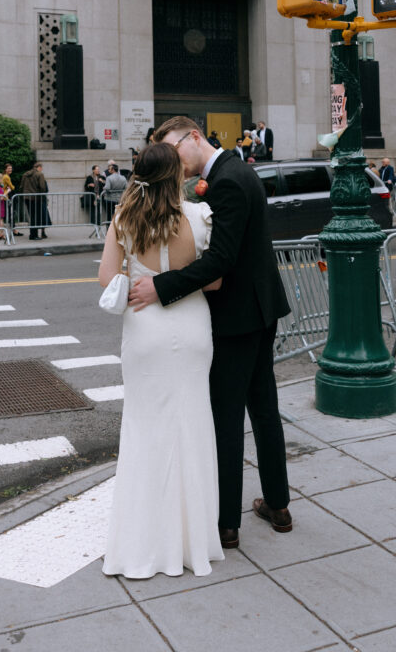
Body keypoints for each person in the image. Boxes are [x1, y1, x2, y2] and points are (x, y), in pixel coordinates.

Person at [129, 116, 292, 551]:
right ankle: (278, 505)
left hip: (238, 316)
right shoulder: (236, 171)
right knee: (263, 408)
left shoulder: (227, 182)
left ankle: (225, 524)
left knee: (227, 418)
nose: (174, 162)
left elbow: (220, 260)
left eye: (173, 149)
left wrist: (160, 286)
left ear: (194, 137)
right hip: (261, 309)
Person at [100, 142, 224, 578]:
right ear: (176, 177)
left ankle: (142, 541)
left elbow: (105, 279)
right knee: (191, 426)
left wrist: (141, 276)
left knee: (144, 429)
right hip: (191, 327)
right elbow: (214, 280)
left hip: (144, 326)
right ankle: (193, 544)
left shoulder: (123, 219)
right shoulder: (198, 216)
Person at [20, 162, 48, 240]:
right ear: (39, 167)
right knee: (36, 216)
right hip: (36, 198)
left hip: (27, 198)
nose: (42, 169)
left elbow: (21, 186)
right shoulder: (39, 174)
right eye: (41, 167)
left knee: (31, 216)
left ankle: (32, 234)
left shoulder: (25, 174)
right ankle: (34, 235)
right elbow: (42, 187)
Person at [2, 163, 21, 236]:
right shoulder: (6, 177)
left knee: (7, 214)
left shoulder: (4, 176)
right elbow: (12, 187)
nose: (10, 169)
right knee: (11, 214)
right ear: (5, 169)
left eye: (11, 168)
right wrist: (11, 187)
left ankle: (12, 230)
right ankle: (14, 230)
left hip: (5, 196)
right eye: (9, 168)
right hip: (6, 197)